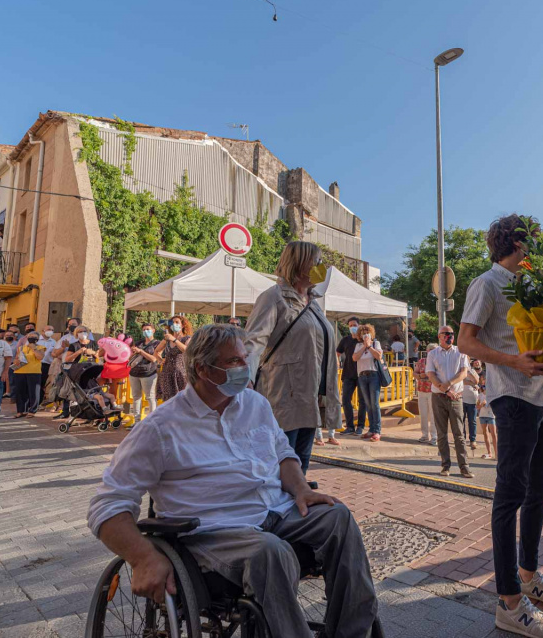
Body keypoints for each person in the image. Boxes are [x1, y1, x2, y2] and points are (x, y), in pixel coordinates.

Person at [87, 324, 383, 638]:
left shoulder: (255, 404)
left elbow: (282, 453)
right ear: (203, 368)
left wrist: (298, 487)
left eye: (245, 359)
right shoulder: (161, 427)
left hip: (276, 511)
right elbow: (107, 506)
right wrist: (143, 557)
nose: (245, 368)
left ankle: (353, 633)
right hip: (216, 530)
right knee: (270, 552)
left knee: (338, 517)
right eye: (234, 362)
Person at [458, 214, 543, 637]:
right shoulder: (486, 284)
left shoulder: (529, 284)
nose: (538, 249)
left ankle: (529, 578)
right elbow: (467, 340)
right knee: (510, 495)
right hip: (512, 397)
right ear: (518, 243)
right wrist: (514, 361)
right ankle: (508, 602)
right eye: (534, 242)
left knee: (541, 489)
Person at [245, 241, 338, 471]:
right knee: (279, 467)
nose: (321, 267)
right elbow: (253, 342)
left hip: (310, 397)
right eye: (316, 261)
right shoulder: (273, 297)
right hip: (282, 397)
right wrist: (244, 380)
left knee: (300, 467)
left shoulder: (314, 303)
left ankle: (297, 502)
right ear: (299, 264)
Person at [426, 325, 473, 478]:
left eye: (452, 334)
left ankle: (464, 467)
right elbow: (431, 375)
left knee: (459, 433)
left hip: (456, 397)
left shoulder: (461, 351)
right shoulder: (433, 354)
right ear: (439, 336)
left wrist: (449, 384)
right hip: (439, 397)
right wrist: (445, 389)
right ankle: (445, 466)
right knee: (441, 433)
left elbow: (464, 373)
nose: (450, 336)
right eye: (446, 334)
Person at [353, 324, 384, 442]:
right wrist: (363, 347)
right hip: (362, 376)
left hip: (373, 375)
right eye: (363, 332)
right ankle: (371, 429)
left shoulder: (376, 344)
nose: (365, 334)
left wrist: (369, 346)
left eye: (367, 332)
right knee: (368, 403)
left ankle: (377, 430)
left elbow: (378, 355)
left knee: (374, 403)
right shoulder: (358, 345)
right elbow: (355, 358)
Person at [129, 324, 161, 425]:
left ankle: (152, 422)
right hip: (134, 373)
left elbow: (154, 359)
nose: (146, 331)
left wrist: (141, 351)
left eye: (148, 329)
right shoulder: (139, 343)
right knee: (136, 397)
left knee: (150, 397)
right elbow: (130, 358)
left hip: (148, 373)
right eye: (144, 329)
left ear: (153, 330)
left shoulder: (157, 344)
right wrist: (133, 352)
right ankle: (137, 421)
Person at [155, 316, 192, 402]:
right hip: (167, 373)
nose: (174, 324)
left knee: (182, 400)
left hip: (181, 373)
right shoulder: (167, 339)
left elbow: (186, 350)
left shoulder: (187, 338)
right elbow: (156, 351)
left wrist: (174, 340)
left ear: (182, 325)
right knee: (168, 400)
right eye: (172, 323)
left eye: (177, 322)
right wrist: (160, 360)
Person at [51, 317, 82, 418]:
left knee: (79, 390)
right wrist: (63, 348)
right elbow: (54, 354)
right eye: (69, 324)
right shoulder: (65, 338)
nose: (71, 326)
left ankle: (79, 412)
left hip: (80, 367)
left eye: (73, 324)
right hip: (66, 367)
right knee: (65, 389)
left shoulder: (85, 338)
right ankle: (65, 412)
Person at [336, 317, 361, 435]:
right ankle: (350, 426)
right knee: (345, 400)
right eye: (350, 325)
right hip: (348, 373)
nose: (352, 327)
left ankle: (360, 426)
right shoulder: (345, 340)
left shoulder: (363, 339)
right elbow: (337, 352)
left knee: (363, 401)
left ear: (359, 325)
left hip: (362, 374)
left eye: (354, 325)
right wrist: (336, 361)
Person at [13, 332, 46, 416]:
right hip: (20, 371)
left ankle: (32, 410)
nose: (32, 338)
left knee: (33, 392)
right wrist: (16, 361)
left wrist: (33, 348)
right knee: (20, 392)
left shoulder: (40, 347)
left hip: (34, 371)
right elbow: (16, 358)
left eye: (34, 337)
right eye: (30, 336)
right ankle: (20, 410)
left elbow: (40, 357)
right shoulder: (21, 348)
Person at [415, 344, 437, 444]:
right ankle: (424, 435)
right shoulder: (421, 361)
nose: (432, 351)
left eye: (434, 350)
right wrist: (420, 375)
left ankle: (434, 437)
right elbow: (414, 373)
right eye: (430, 349)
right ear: (427, 351)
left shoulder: (438, 361)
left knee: (433, 415)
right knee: (423, 414)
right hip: (422, 390)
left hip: (433, 391)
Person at [462, 358, 482, 449]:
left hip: (472, 399)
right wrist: (470, 383)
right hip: (461, 398)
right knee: (461, 420)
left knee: (472, 421)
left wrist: (468, 373)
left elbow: (476, 381)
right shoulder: (460, 370)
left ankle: (472, 440)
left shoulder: (472, 371)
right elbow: (460, 381)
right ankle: (462, 439)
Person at [36, 325, 57, 405]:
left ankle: (39, 402)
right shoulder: (37, 340)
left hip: (47, 365)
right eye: (48, 329)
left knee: (42, 384)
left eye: (52, 330)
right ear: (43, 331)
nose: (50, 331)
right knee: (35, 383)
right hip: (36, 364)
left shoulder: (54, 342)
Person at [478, 377, 497, 459]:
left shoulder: (493, 394)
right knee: (485, 433)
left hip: (491, 415)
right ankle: (489, 453)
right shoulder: (480, 395)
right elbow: (477, 407)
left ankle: (497, 454)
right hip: (482, 415)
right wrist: (481, 404)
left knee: (494, 434)